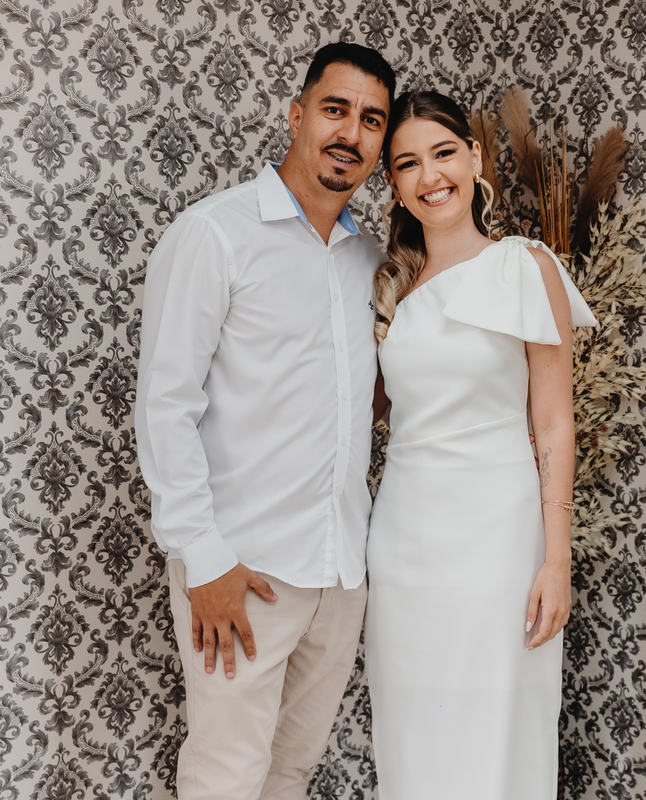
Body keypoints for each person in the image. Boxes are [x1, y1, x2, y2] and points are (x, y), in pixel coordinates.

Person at [134, 43, 395, 800]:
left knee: (290, 774)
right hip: (242, 568)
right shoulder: (215, 234)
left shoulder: (370, 259)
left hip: (339, 572)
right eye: (335, 109)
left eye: (371, 120)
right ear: (297, 115)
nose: (350, 132)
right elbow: (166, 402)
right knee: (226, 777)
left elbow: (356, 400)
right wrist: (203, 558)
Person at [364, 91, 597, 799]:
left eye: (443, 153)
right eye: (408, 163)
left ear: (473, 158)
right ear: (393, 183)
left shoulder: (524, 268)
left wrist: (556, 560)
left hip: (500, 542)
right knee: (415, 741)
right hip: (404, 546)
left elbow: (554, 422)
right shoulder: (388, 289)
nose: (430, 176)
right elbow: (367, 411)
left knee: (498, 734)